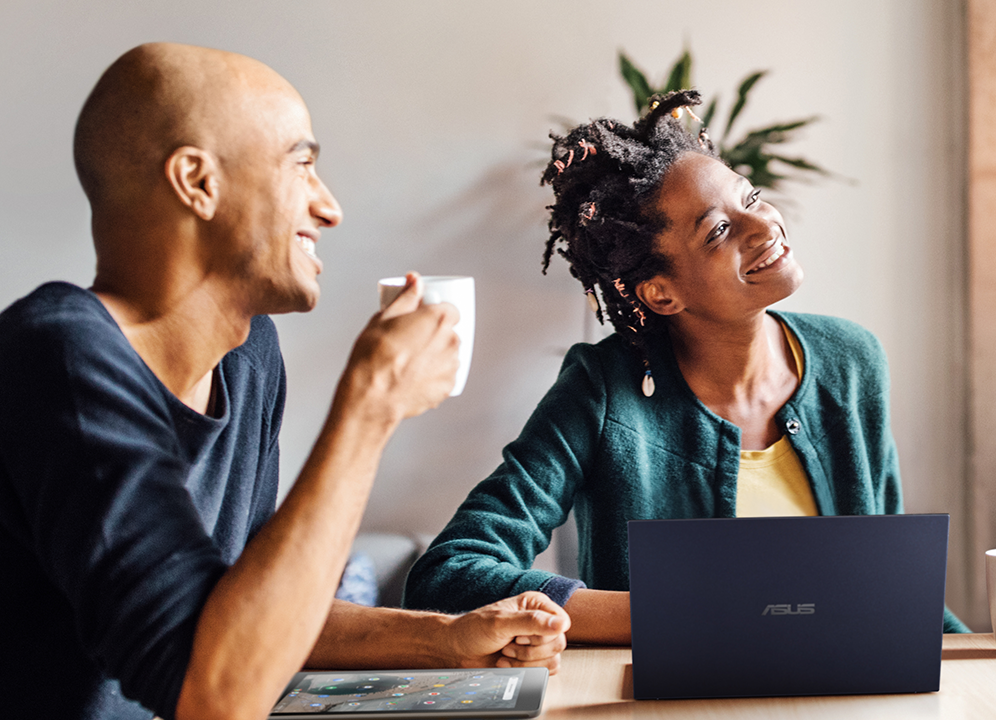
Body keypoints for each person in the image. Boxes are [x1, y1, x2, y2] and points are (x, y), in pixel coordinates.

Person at [0, 43, 570, 720]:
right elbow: (216, 690)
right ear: (197, 182)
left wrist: (447, 638)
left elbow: (253, 618)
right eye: (303, 164)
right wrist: (369, 405)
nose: (329, 209)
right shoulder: (57, 357)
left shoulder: (248, 353)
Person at [403, 90, 969, 641]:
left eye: (749, 198)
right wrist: (666, 615)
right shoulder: (603, 391)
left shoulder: (852, 361)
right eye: (719, 230)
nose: (764, 226)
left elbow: (889, 583)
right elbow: (449, 575)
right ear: (662, 293)